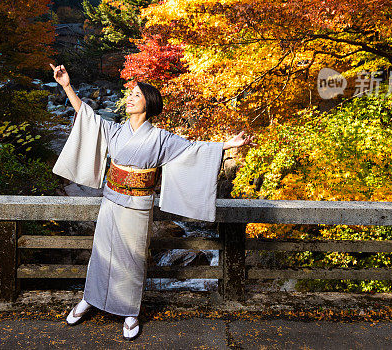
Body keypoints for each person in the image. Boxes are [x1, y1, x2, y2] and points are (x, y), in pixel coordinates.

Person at [49, 63, 254, 340]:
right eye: (130, 94)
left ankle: (130, 311)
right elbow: (86, 116)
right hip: (111, 199)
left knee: (133, 257)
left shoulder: (161, 138)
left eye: (136, 95)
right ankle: (90, 299)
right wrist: (66, 86)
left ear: (149, 103)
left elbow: (194, 149)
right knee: (102, 253)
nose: (130, 98)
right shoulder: (115, 130)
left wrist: (228, 145)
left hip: (139, 203)